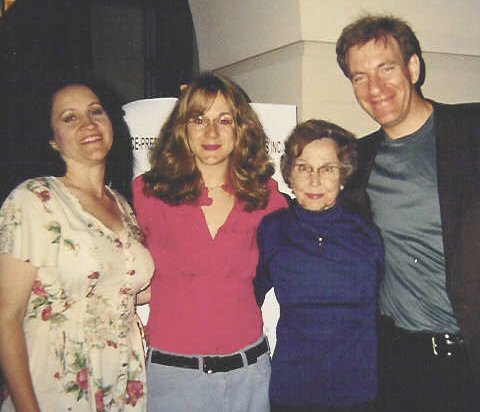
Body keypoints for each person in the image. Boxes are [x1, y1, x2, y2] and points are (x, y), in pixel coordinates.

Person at [336, 14, 480, 411]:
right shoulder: (355, 161)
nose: (375, 87)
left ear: (412, 67)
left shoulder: (471, 133)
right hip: (399, 359)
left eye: (386, 68)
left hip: (470, 358)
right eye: (359, 76)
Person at [132, 72, 288, 412]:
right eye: (199, 119)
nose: (212, 132)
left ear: (240, 129)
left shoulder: (267, 199)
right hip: (174, 379)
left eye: (224, 120)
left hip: (249, 376)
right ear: (182, 128)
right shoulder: (148, 194)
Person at [0, 79, 154, 411]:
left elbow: (123, 290)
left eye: (96, 111)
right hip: (55, 388)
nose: (88, 123)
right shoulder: (34, 200)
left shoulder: (123, 207)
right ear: (53, 139)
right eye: (70, 118)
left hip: (122, 386)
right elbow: (5, 316)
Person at [254, 119, 383, 412]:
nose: (314, 181)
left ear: (343, 174)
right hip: (293, 391)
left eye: (327, 169)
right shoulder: (273, 230)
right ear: (289, 173)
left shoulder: (366, 232)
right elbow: (246, 297)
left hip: (357, 392)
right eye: (304, 168)